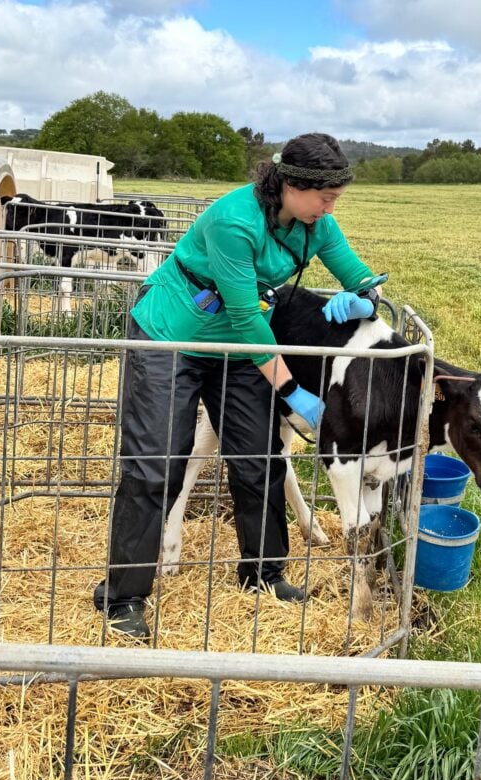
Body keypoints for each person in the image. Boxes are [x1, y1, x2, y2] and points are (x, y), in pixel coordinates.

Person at [94, 132, 383, 640]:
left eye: (337, 197)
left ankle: (264, 574)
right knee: (156, 463)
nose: (331, 207)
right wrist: (293, 392)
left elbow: (360, 277)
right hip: (173, 337)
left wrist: (365, 301)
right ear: (291, 184)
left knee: (260, 458)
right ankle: (123, 596)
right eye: (325, 196)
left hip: (237, 347)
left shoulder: (316, 224)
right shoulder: (234, 221)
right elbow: (249, 317)